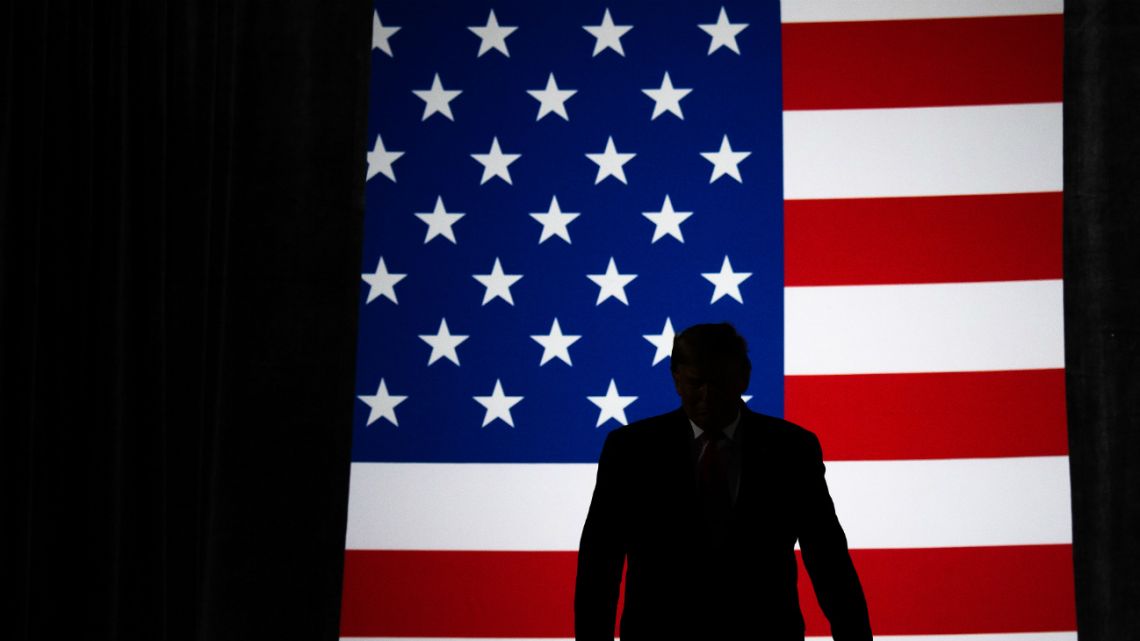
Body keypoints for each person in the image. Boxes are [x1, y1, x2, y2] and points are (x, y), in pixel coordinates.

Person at [575, 322, 872, 641]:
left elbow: (828, 559)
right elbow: (599, 566)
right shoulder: (631, 451)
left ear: (743, 376)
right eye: (696, 383)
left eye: (719, 382)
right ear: (676, 379)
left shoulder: (792, 450)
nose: (707, 396)